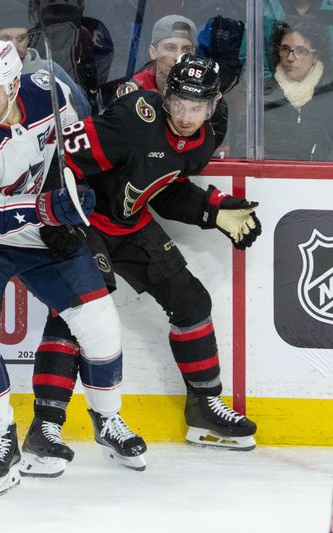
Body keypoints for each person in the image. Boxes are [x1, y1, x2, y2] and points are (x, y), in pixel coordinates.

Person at [0, 36, 147, 496]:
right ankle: (0, 438)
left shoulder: (53, 90)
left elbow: (82, 142)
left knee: (100, 321)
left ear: (15, 84)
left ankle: (107, 419)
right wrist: (48, 209)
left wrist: (76, 188)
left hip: (39, 235)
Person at [27, 55, 261, 465]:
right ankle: (45, 427)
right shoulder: (135, 119)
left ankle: (204, 408)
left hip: (130, 225)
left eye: (197, 107)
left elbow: (162, 186)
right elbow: (61, 159)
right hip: (87, 222)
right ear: (166, 96)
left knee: (191, 303)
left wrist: (213, 210)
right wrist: (57, 217)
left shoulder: (205, 137)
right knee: (78, 312)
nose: (186, 116)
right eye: (179, 104)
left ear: (214, 104)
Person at [108, 14, 228, 149]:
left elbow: (213, 147)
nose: (178, 57)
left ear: (193, 53)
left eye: (186, 49)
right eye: (170, 48)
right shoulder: (131, 94)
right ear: (153, 52)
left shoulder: (209, 97)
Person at [264, 16, 333, 161]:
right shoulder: (262, 95)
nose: (290, 58)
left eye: (300, 51)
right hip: (272, 180)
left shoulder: (329, 92)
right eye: (285, 49)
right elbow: (245, 147)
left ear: (315, 55)